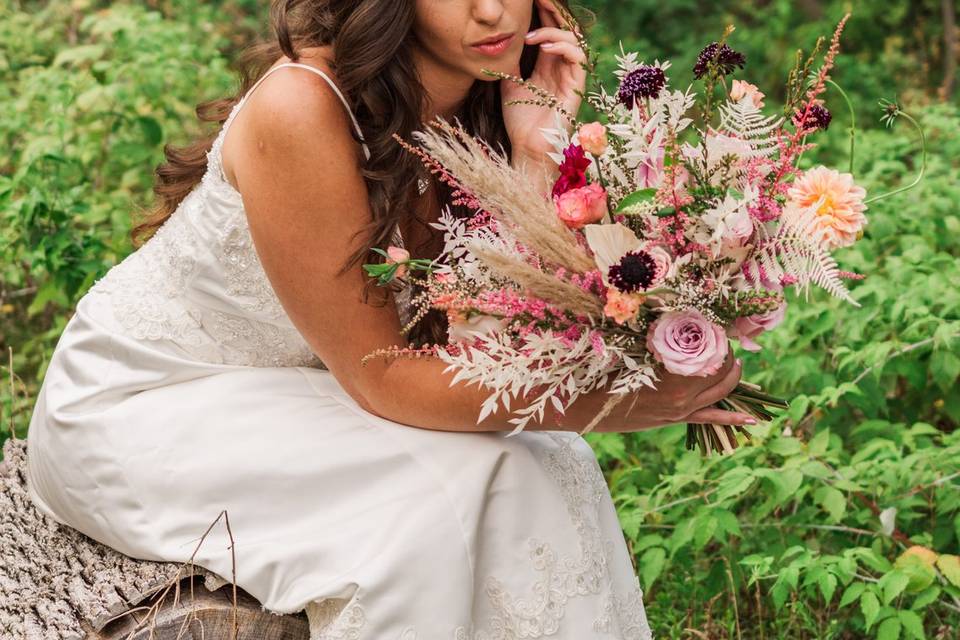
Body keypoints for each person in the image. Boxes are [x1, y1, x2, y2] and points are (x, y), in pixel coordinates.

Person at [25, 0, 751, 637]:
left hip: (300, 388)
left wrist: (534, 153)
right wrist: (614, 405)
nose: (496, 13)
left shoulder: (481, 111)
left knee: (552, 460)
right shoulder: (303, 109)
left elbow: (488, 340)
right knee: (455, 497)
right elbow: (387, 381)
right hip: (144, 404)